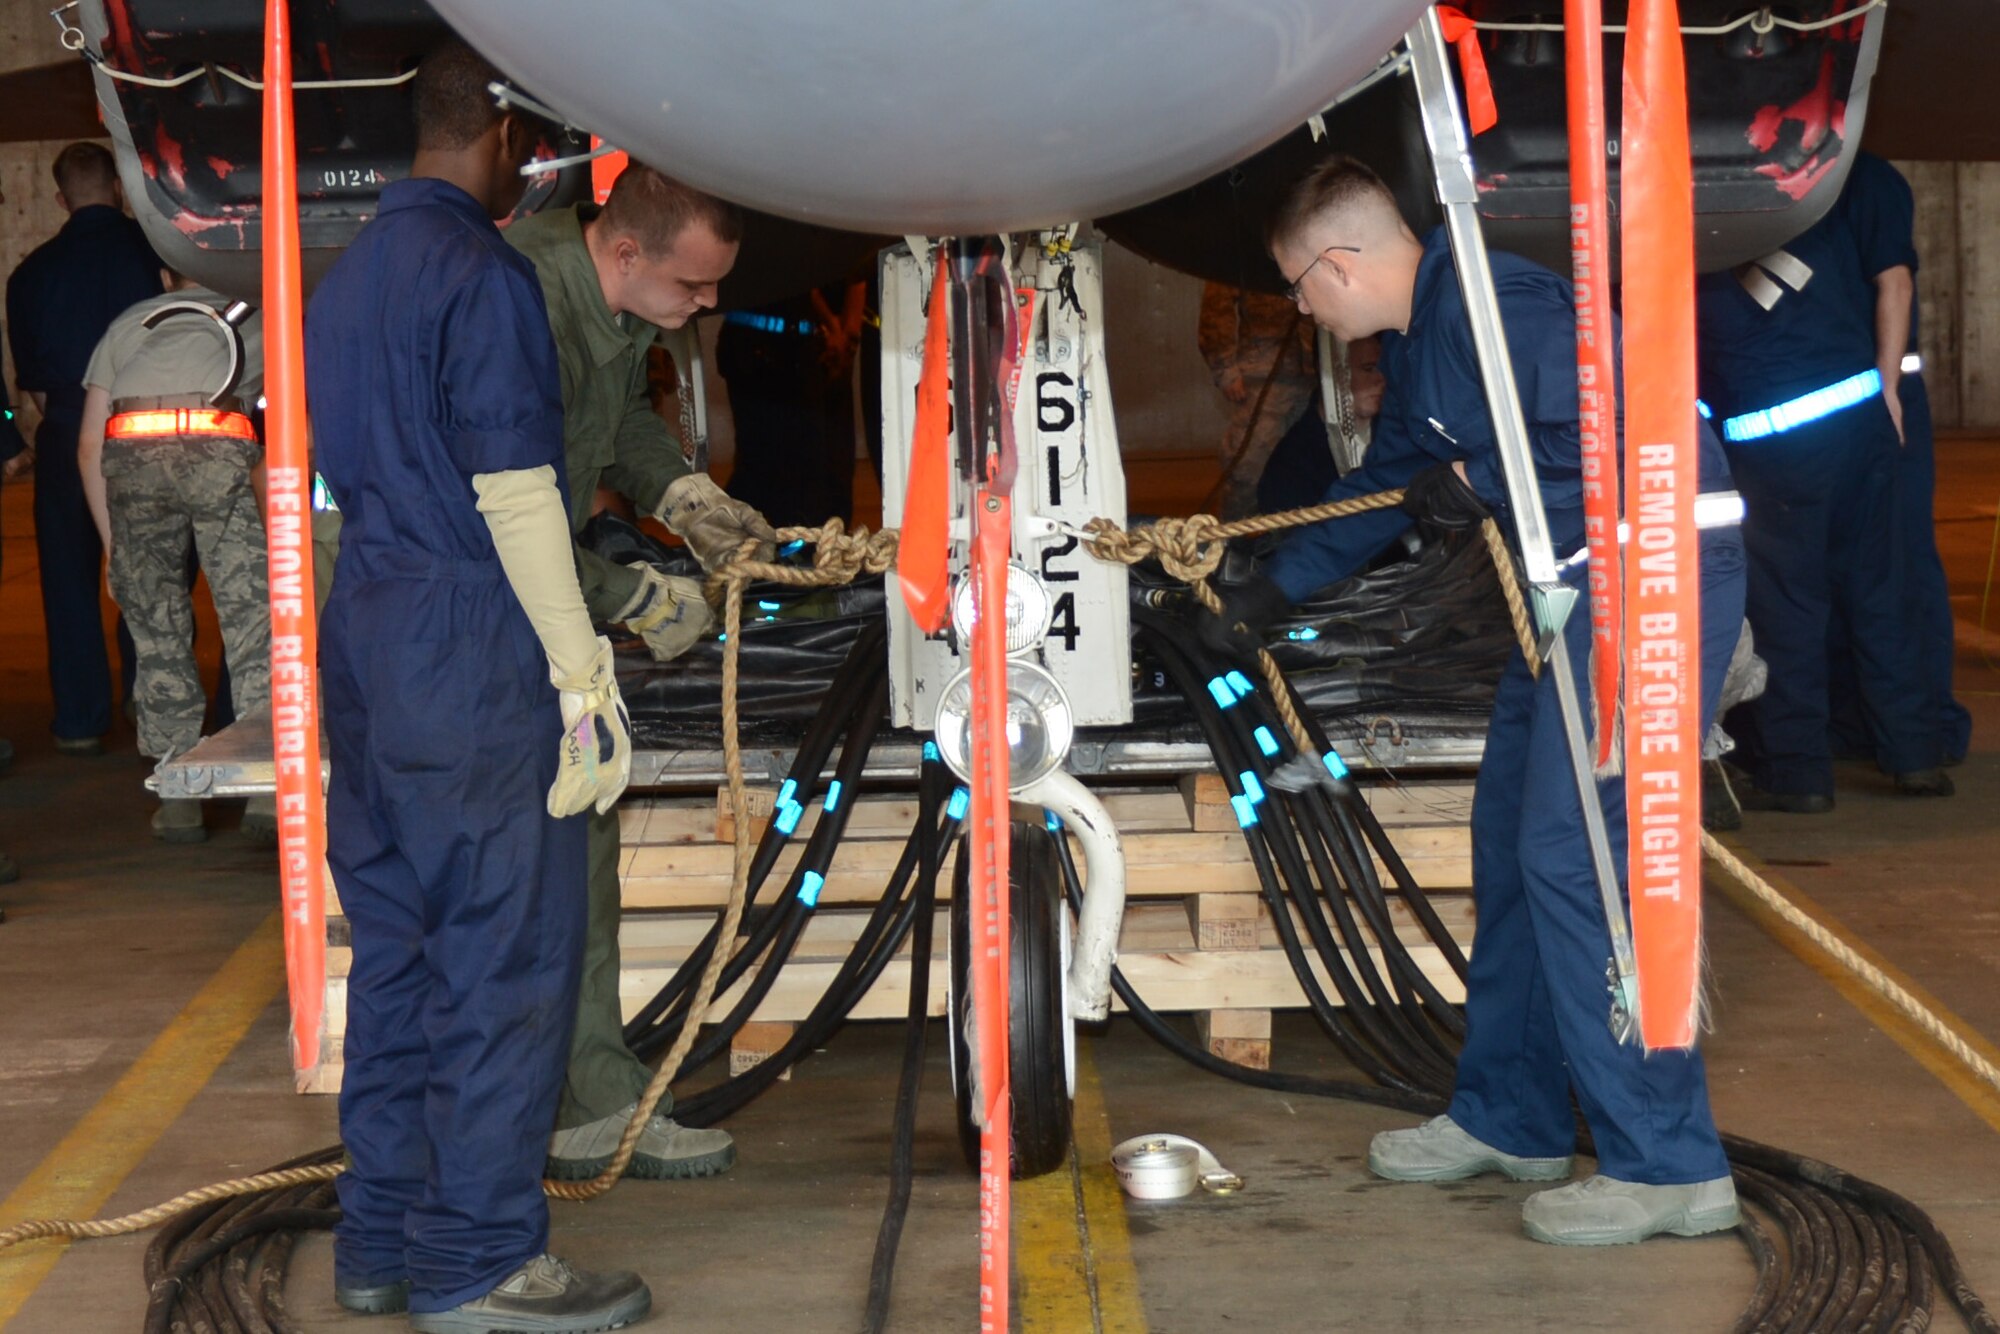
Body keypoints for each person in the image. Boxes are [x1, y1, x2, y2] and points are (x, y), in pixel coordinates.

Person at [1202, 156, 1748, 1246]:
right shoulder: (1429, 341)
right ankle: (1511, 1114)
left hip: (1646, 581)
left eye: (1300, 286)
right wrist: (1268, 583)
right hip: (1563, 596)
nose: (1303, 308)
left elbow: (1621, 417)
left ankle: (1668, 1161)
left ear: (1339, 262)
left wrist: (1486, 485)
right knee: (1509, 842)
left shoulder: (1501, 308)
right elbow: (1392, 483)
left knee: (1579, 854)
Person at [306, 41, 648, 1332]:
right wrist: (582, 674)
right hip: (466, 643)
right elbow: (516, 492)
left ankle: (380, 1241)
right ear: (501, 135)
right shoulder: (485, 276)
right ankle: (481, 1262)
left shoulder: (340, 288)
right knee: (503, 958)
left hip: (370, 644)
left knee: (396, 956)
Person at [508, 162, 770, 1181]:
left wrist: (684, 494)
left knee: (580, 835)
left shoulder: (614, 306)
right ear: (625, 254)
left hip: (537, 600)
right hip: (469, 609)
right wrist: (628, 599)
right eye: (693, 289)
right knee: (514, 867)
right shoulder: (517, 301)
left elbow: (612, 428)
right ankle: (523, 1116)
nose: (704, 307)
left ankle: (589, 1099)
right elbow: (494, 508)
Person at [1694, 167, 1951, 811]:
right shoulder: (1824, 184)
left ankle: (1797, 771)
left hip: (1773, 441)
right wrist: (1887, 391)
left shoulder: (1701, 206)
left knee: (1788, 609)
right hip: (1860, 419)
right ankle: (1914, 754)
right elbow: (1891, 280)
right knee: (1883, 594)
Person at [78, 273, 275, 843]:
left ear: (167, 277)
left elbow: (90, 443)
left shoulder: (131, 323)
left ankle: (178, 797)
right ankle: (264, 791)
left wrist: (114, 543)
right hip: (221, 449)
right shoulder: (258, 316)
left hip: (131, 453)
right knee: (252, 624)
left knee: (156, 629)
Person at [7, 142, 163, 754]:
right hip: (152, 434)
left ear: (60, 199)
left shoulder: (31, 274)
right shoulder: (157, 258)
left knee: (68, 581)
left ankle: (80, 717)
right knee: (151, 573)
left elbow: (39, 389)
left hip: (70, 425)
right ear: (120, 189)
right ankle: (151, 697)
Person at [1823, 153, 1971, 769]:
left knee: (1898, 567)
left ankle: (1928, 724)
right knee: (1853, 572)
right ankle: (1862, 723)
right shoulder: (1811, 178)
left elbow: (1896, 282)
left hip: (1881, 402)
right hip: (1844, 404)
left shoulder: (1865, 179)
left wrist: (1887, 396)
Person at [719, 279, 867, 526]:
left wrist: (846, 332)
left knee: (827, 470)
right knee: (769, 466)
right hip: (769, 346)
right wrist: (836, 326)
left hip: (810, 345)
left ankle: (813, 546)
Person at [1197, 280, 1318, 518]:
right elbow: (1216, 306)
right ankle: (1232, 538)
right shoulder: (1244, 248)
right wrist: (1224, 367)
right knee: (1250, 466)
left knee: (1308, 464)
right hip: (1265, 376)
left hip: (1315, 373)